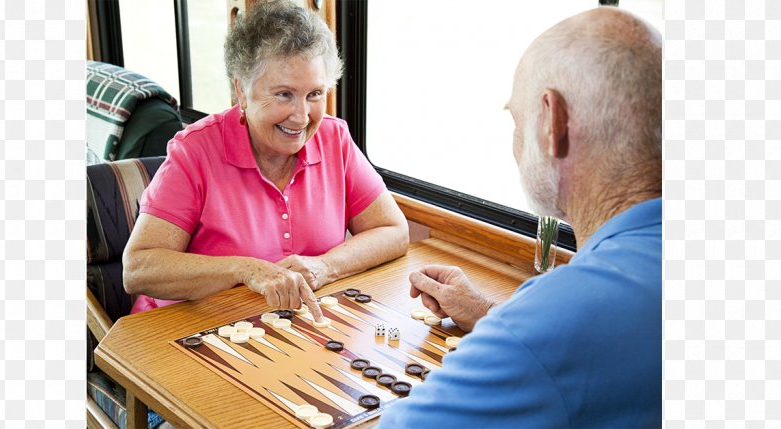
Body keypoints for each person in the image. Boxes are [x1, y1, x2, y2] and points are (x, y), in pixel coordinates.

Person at [379, 6, 661, 428]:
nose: (514, 143)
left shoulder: (560, 316)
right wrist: (489, 314)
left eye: (516, 119)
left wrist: (517, 332)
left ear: (552, 122)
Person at [122, 0, 409, 321]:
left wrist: (325, 266)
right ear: (241, 91)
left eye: (314, 94)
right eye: (284, 94)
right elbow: (139, 269)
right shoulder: (195, 151)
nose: (301, 117)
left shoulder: (334, 139)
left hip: (285, 324)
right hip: (187, 331)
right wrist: (245, 269)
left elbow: (393, 230)